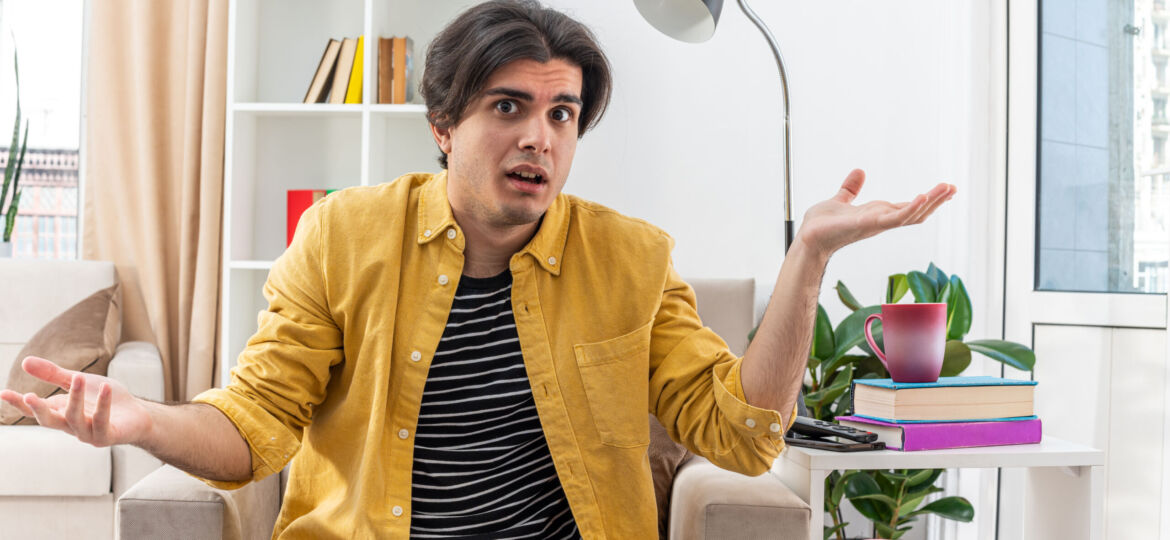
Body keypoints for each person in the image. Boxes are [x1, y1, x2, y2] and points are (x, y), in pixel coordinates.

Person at [0, 1, 956, 538]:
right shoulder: (341, 237)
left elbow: (741, 438)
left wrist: (807, 259)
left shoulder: (633, 256)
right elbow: (255, 427)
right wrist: (141, 420)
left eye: (562, 114)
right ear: (445, 125)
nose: (539, 136)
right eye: (509, 107)